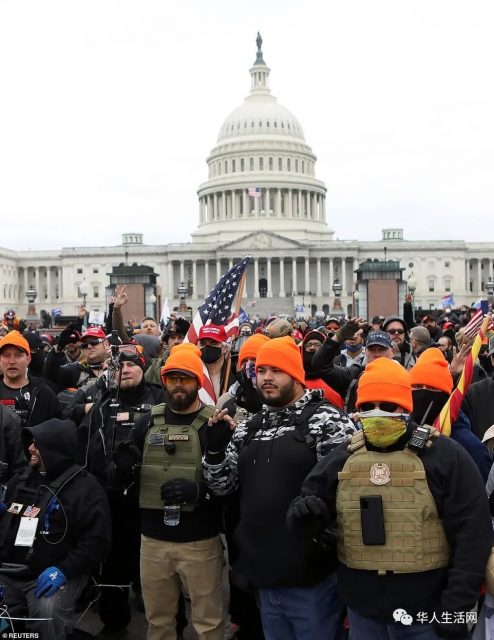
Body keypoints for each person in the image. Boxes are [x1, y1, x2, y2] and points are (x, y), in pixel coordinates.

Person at [288, 357, 493, 640]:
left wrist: (456, 605)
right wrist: (306, 517)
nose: (377, 413)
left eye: (387, 406)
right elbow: (307, 506)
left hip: (427, 615)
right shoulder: (345, 455)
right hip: (363, 616)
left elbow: (473, 534)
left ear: (405, 408)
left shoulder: (444, 456)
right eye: (367, 407)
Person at [203, 336, 356, 640]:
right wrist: (215, 453)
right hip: (263, 573)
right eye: (261, 371)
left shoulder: (326, 419)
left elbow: (349, 492)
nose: (267, 378)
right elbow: (223, 487)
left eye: (276, 370)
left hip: (312, 577)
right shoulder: (249, 426)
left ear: (296, 374)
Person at [113, 343, 225, 640]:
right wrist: (123, 468)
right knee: (158, 623)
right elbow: (121, 478)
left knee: (209, 624)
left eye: (185, 378)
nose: (178, 384)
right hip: (153, 541)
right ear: (164, 380)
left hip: (199, 541)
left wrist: (200, 493)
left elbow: (230, 484)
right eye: (172, 377)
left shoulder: (214, 423)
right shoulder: (148, 421)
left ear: (196, 382)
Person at [81, 343, 165, 638]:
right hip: (112, 499)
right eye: (120, 366)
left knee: (152, 568)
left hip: (151, 499)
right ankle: (114, 623)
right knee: (113, 564)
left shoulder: (160, 399)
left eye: (132, 365)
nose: (126, 370)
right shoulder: (105, 403)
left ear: (144, 367)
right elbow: (88, 446)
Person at [0, 418, 111, 639]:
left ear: (55, 447)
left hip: (55, 573)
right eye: (30, 442)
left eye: (37, 444)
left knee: (46, 613)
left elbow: (97, 542)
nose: (30, 448)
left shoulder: (87, 489)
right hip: (9, 570)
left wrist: (64, 570)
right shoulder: (19, 481)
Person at [410, 347, 491, 481]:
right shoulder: (400, 432)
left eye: (432, 388)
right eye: (417, 386)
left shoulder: (467, 444)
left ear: (445, 396)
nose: (423, 393)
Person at [312, 321, 395, 412]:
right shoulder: (354, 375)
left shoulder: (404, 376)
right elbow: (320, 364)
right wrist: (338, 338)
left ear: (393, 351)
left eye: (382, 349)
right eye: (372, 349)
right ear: (366, 351)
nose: (377, 354)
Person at [0, 330, 62, 428]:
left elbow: (59, 430)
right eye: (6, 355)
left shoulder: (44, 393)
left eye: (18, 355)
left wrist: (40, 441)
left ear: (28, 359)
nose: (11, 361)